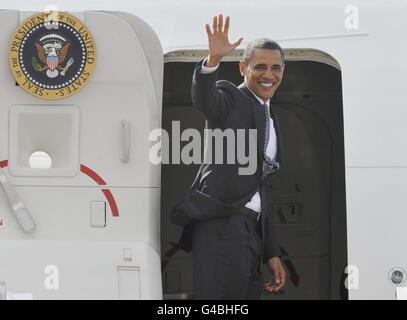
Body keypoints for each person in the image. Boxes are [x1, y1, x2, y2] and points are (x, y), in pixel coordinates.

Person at [174, 14, 286, 300]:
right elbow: (205, 98)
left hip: (251, 231)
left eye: (276, 68)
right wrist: (212, 61)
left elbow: (262, 188)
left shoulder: (270, 116)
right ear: (243, 68)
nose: (268, 75)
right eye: (260, 67)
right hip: (223, 224)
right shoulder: (230, 97)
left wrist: (271, 252)